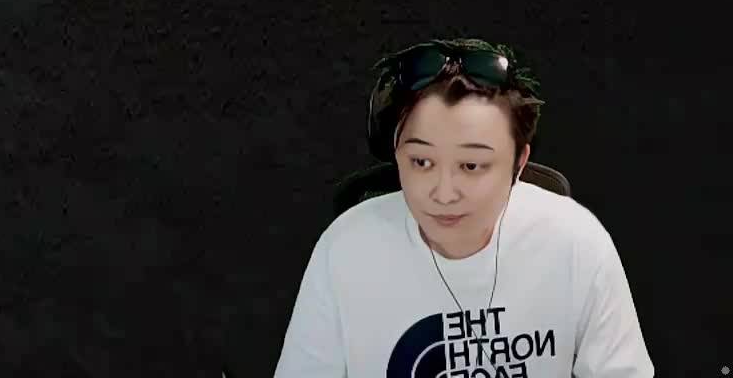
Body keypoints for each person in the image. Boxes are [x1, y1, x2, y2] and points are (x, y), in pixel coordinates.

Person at [271, 38, 652, 378]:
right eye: (421, 162)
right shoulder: (347, 248)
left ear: (519, 163)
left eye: (471, 165)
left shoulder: (574, 240)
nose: (443, 193)